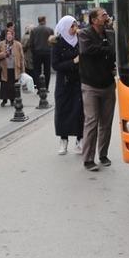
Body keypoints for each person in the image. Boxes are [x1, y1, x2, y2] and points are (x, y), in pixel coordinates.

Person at [78, 8, 117, 171]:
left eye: (106, 14)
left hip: (108, 84)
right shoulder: (84, 34)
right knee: (92, 121)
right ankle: (88, 159)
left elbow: (115, 52)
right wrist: (107, 49)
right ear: (94, 20)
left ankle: (103, 155)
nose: (106, 16)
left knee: (106, 123)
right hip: (90, 85)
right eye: (103, 15)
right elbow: (88, 50)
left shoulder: (111, 34)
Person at [51, 16, 84, 155]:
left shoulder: (80, 40)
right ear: (65, 27)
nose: (74, 28)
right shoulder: (58, 42)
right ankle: (63, 140)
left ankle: (80, 139)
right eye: (71, 26)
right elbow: (55, 65)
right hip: (64, 83)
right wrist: (73, 62)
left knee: (80, 111)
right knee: (63, 111)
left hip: (79, 81)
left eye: (75, 25)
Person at [0, 29, 25, 107]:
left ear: (13, 35)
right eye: (8, 34)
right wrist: (4, 54)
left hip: (15, 68)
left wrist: (23, 70)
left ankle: (12, 100)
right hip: (4, 68)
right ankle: (4, 100)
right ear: (5, 36)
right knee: (4, 85)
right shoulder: (1, 44)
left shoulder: (18, 44)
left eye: (11, 34)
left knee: (13, 85)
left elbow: (21, 57)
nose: (9, 36)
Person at [29, 16, 54, 91]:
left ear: (38, 21)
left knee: (37, 70)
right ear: (45, 20)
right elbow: (53, 42)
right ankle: (46, 87)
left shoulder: (34, 30)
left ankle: (39, 88)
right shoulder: (50, 30)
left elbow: (31, 43)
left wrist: (33, 52)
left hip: (37, 53)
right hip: (47, 52)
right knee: (47, 70)